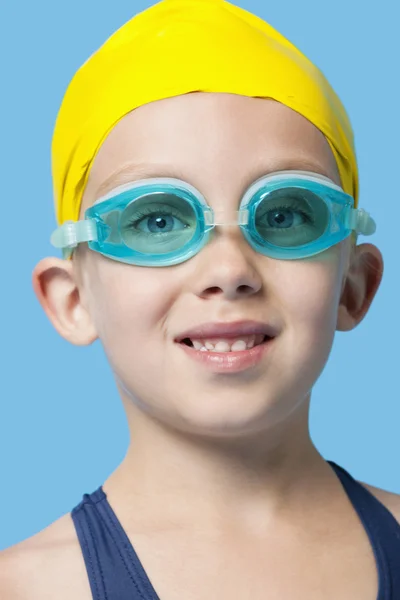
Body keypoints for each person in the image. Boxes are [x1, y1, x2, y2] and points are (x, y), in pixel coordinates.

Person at [1, 1, 399, 598]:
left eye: (285, 214)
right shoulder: (26, 587)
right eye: (158, 221)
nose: (230, 270)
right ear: (72, 299)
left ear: (352, 286)